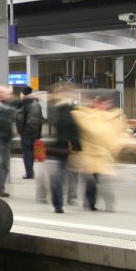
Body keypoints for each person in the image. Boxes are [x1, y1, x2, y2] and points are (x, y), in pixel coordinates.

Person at [71, 94, 127, 211]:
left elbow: (118, 134)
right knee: (91, 181)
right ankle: (90, 203)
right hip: (89, 156)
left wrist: (119, 144)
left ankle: (108, 204)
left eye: (104, 103)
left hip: (104, 156)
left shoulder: (112, 118)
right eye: (99, 103)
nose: (102, 106)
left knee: (104, 181)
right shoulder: (87, 117)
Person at [45, 85, 80, 213]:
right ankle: (60, 202)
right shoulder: (60, 108)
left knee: (60, 176)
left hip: (61, 147)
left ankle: (63, 201)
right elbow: (72, 128)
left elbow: (73, 129)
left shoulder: (65, 109)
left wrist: (76, 145)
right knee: (59, 176)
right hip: (59, 148)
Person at [0, 85, 15, 197]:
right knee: (1, 164)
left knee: (1, 165)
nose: (10, 96)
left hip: (3, 140)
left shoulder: (2, 106)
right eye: (7, 93)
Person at [16, 86, 43, 180]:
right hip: (35, 132)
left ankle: (29, 173)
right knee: (31, 153)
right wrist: (39, 134)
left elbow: (20, 119)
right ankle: (30, 171)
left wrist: (19, 131)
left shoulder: (23, 104)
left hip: (26, 132)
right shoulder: (37, 104)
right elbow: (40, 120)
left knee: (26, 153)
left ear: (24, 94)